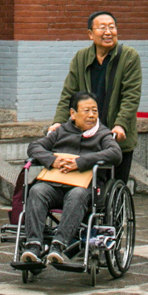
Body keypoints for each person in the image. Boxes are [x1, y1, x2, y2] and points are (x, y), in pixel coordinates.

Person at [17, 91, 120, 269]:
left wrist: (80, 162)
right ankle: (33, 245)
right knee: (37, 191)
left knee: (77, 195)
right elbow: (34, 147)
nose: (91, 115)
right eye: (86, 111)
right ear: (73, 113)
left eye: (94, 111)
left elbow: (115, 153)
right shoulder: (61, 132)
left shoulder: (102, 134)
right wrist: (53, 160)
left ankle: (59, 246)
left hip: (85, 188)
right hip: (55, 186)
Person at [51, 11, 143, 184]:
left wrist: (120, 125)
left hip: (115, 137)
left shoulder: (129, 56)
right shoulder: (81, 57)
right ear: (91, 34)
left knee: (114, 188)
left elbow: (131, 96)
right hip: (87, 138)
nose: (108, 32)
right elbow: (68, 95)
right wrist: (58, 122)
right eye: (102, 28)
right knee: (83, 189)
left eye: (112, 27)